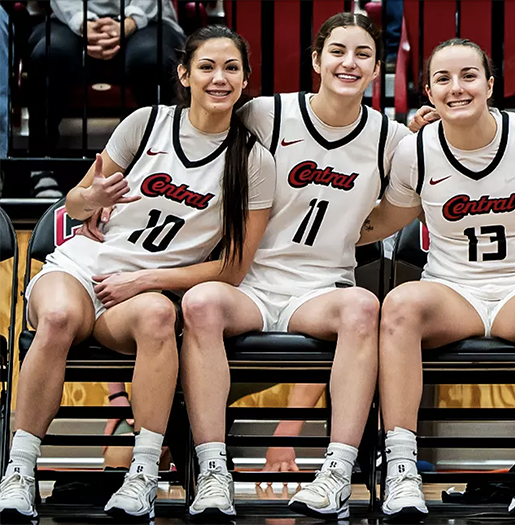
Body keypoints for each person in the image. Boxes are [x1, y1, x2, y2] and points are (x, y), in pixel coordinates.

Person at [0, 24, 274, 520]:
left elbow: (232, 268)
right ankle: (20, 472)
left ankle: (142, 476)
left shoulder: (252, 159)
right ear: (184, 74)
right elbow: (75, 204)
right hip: (84, 270)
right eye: (207, 67)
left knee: (156, 318)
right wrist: (92, 199)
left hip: (140, 292)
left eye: (231, 68)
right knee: (57, 318)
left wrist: (146, 281)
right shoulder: (144, 123)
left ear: (245, 80)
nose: (219, 78)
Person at [358, 37, 515, 521]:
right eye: (443, 79)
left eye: (469, 76)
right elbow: (383, 220)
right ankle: (402, 469)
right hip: (454, 292)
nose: (457, 88)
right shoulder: (416, 151)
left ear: (491, 85)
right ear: (428, 92)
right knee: (399, 305)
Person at [178, 12, 410, 520]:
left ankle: (336, 472)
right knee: (199, 302)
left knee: (361, 308)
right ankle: (214, 471)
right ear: (315, 61)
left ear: (376, 71)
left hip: (320, 289)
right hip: (251, 283)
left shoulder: (390, 138)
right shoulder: (265, 114)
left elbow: (411, 204)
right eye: (337, 52)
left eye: (363, 55)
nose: (349, 63)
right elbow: (191, 139)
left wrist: (355, 233)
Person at [26, 0, 186, 197]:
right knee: (49, 53)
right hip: (68, 18)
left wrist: (128, 23)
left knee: (150, 58)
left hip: (149, 20)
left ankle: (164, 165)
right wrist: (83, 23)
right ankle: (42, 164)